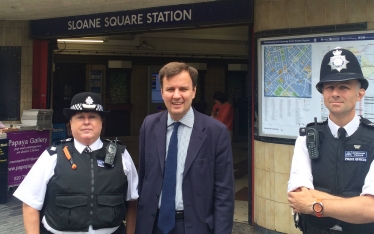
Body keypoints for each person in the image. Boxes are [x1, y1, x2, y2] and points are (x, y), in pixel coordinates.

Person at [13, 92, 138, 234]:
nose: (86, 122)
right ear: (70, 123)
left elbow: (132, 201)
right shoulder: (52, 156)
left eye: (92, 117)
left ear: (102, 122)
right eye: (80, 117)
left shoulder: (121, 155)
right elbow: (30, 203)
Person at [135, 62, 234, 234]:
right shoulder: (148, 125)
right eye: (170, 89)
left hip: (195, 226)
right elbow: (144, 178)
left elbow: (224, 194)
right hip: (152, 225)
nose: (176, 95)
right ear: (162, 92)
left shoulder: (215, 132)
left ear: (194, 91)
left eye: (183, 89)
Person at [287, 47, 374, 233]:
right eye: (330, 87)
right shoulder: (307, 138)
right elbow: (297, 198)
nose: (335, 93)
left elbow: (371, 209)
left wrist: (315, 205)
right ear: (323, 94)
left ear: (360, 94)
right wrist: (355, 206)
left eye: (344, 87)